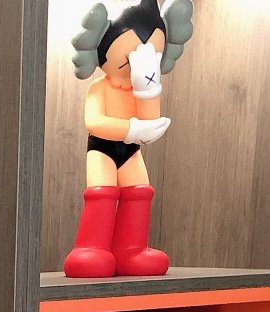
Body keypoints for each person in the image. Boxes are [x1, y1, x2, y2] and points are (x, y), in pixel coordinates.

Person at [64, 0, 194, 278]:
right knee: (102, 192)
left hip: (131, 151)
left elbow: (150, 118)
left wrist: (148, 87)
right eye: (132, 51)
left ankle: (132, 250)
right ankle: (91, 248)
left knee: (139, 192)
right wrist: (132, 130)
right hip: (102, 150)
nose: (141, 56)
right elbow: (94, 122)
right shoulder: (100, 87)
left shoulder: (138, 90)